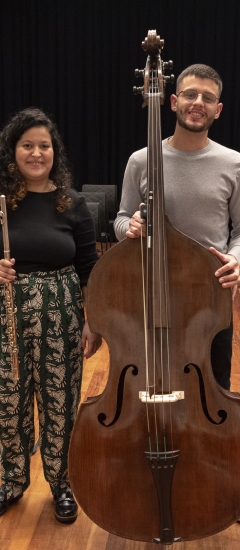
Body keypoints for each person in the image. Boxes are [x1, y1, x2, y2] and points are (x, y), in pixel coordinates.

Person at [114, 64, 240, 522]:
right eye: (188, 94)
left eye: (207, 96)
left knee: (212, 392)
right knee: (146, 388)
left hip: (207, 304)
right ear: (171, 102)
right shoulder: (141, 159)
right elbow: (118, 221)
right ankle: (142, 472)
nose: (197, 102)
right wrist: (129, 227)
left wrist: (236, 258)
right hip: (149, 299)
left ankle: (221, 483)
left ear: (218, 108)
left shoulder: (234, 163)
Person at [0, 107, 101, 523]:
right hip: (8, 318)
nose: (36, 153)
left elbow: (90, 270)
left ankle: (62, 483)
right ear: (13, 151)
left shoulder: (73, 204)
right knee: (10, 401)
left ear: (54, 152)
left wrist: (93, 322)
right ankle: (11, 479)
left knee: (61, 402)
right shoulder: (1, 203)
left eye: (44, 145)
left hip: (63, 315)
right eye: (28, 145)